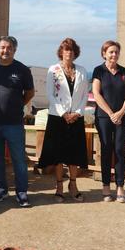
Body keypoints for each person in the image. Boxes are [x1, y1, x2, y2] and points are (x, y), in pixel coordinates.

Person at [0, 36, 35, 207]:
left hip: (14, 123)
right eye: (2, 47)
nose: (5, 51)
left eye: (9, 48)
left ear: (15, 50)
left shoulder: (22, 70)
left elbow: (30, 92)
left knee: (19, 160)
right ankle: (1, 190)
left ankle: (21, 193)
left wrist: (17, 104)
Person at [39, 38, 89, 202]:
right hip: (57, 118)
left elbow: (84, 95)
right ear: (61, 52)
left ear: (76, 53)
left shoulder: (82, 70)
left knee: (74, 155)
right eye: (66, 50)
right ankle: (59, 186)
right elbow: (50, 95)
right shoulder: (53, 70)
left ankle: (73, 185)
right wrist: (63, 114)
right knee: (58, 155)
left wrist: (77, 112)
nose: (69, 53)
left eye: (72, 50)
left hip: (76, 117)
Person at [91, 40, 125, 203]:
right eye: (110, 52)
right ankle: (106, 186)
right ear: (104, 54)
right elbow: (96, 93)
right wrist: (110, 113)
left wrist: (121, 113)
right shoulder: (98, 71)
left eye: (116, 52)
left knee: (119, 150)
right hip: (103, 117)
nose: (114, 55)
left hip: (122, 117)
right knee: (107, 150)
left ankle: (120, 186)